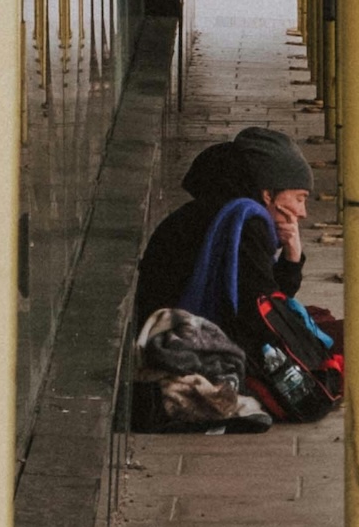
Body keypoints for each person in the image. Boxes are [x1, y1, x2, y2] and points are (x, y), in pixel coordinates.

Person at [136, 127, 322, 361]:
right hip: (177, 346)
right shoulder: (244, 223)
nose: (303, 212)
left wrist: (292, 257)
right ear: (268, 194)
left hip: (164, 331)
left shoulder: (224, 210)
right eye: (299, 198)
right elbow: (264, 315)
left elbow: (267, 301)